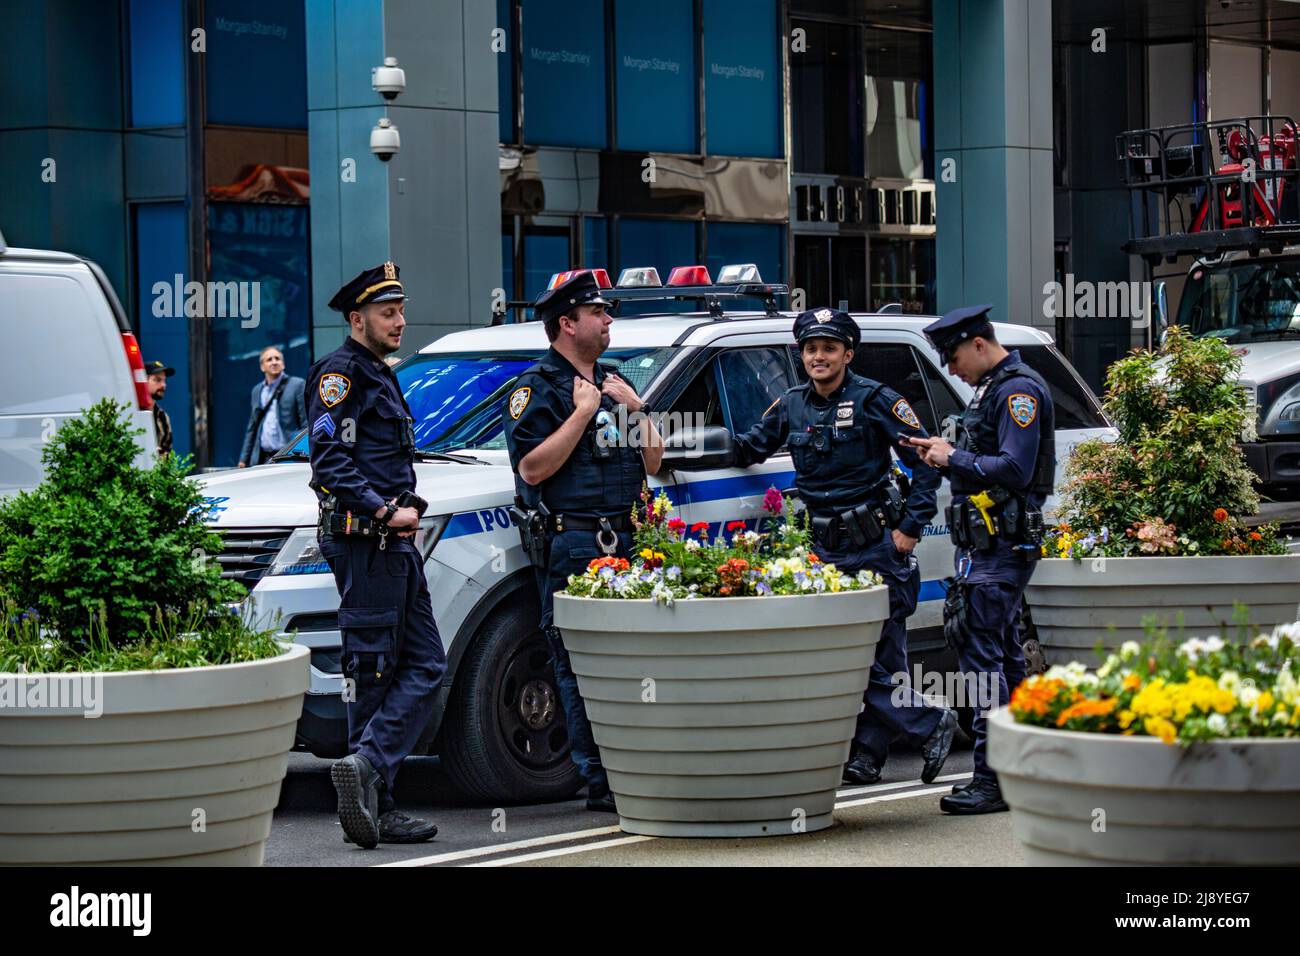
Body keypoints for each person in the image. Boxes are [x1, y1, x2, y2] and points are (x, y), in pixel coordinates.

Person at [729, 308, 958, 786]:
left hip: (876, 544)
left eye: (829, 348)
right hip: (825, 550)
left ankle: (871, 755)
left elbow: (926, 463)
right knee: (849, 654)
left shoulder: (878, 399)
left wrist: (911, 529)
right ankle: (926, 724)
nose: (819, 356)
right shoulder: (790, 404)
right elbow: (746, 447)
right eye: (811, 348)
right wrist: (665, 440)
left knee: (880, 654)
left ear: (847, 354)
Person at [503, 271, 663, 813]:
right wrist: (582, 412)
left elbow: (654, 460)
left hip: (629, 539)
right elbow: (532, 467)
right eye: (598, 312)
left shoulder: (616, 379)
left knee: (636, 661)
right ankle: (598, 780)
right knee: (579, 664)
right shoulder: (536, 388)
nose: (609, 319)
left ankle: (638, 765)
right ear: (567, 324)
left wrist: (635, 408)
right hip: (575, 543)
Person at [306, 261, 446, 848]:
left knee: (423, 664)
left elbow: (379, 459)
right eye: (388, 313)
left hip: (392, 547)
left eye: (402, 310)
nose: (400, 321)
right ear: (357, 318)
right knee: (374, 672)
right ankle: (374, 794)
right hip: (368, 544)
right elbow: (328, 462)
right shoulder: (341, 374)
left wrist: (402, 500)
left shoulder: (378, 374)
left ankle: (368, 771)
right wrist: (384, 511)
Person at [908, 304, 1055, 815]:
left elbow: (1016, 468)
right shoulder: (992, 390)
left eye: (952, 358)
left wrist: (955, 458)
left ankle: (991, 781)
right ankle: (1025, 770)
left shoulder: (1017, 391)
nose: (950, 369)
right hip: (988, 546)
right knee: (1007, 659)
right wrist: (943, 452)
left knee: (981, 660)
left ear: (977, 343)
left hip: (1003, 547)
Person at [238, 346, 307, 467]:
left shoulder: (297, 384)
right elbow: (252, 427)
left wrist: (304, 452)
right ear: (262, 367)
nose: (274, 362)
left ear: (283, 364)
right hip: (263, 456)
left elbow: (306, 423)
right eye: (269, 359)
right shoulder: (257, 390)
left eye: (277, 358)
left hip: (288, 456)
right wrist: (243, 459)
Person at [144, 360, 174, 458]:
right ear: (144, 381)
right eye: (157, 380)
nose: (163, 385)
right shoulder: (131, 413)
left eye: (164, 380)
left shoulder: (163, 417)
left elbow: (167, 454)